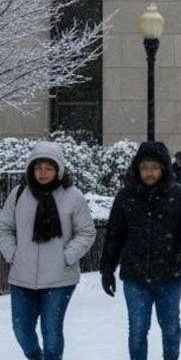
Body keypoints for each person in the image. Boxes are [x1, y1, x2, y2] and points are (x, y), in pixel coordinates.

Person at [101, 141, 181, 360]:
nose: (149, 173)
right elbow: (114, 235)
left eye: (155, 167)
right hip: (135, 276)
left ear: (164, 168)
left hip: (170, 275)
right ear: (137, 168)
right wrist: (107, 269)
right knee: (137, 331)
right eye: (145, 167)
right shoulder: (125, 197)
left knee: (170, 328)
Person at [0, 142, 96, 360]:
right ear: (31, 169)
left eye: (48, 168)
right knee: (22, 331)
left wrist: (66, 256)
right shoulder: (18, 194)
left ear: (58, 170)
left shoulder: (73, 196)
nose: (42, 173)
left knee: (52, 335)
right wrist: (13, 254)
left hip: (59, 279)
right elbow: (4, 228)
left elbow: (87, 233)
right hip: (22, 278)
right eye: (38, 167)